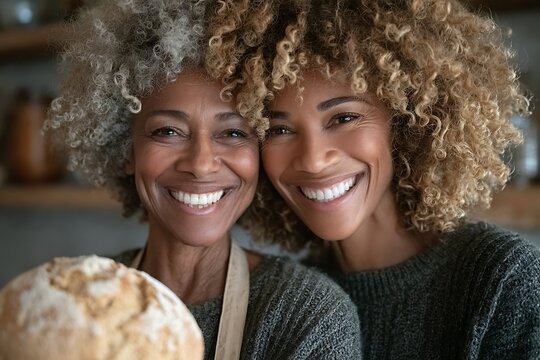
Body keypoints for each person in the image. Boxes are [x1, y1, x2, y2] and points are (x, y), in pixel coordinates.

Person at [204, 0, 540, 358]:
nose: (314, 160)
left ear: (405, 120)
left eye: (343, 118)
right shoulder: (285, 302)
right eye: (280, 129)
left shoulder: (502, 279)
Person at [44, 1, 361, 359]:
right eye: (167, 131)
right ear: (126, 150)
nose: (201, 164)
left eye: (233, 133)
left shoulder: (306, 314)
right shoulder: (76, 299)